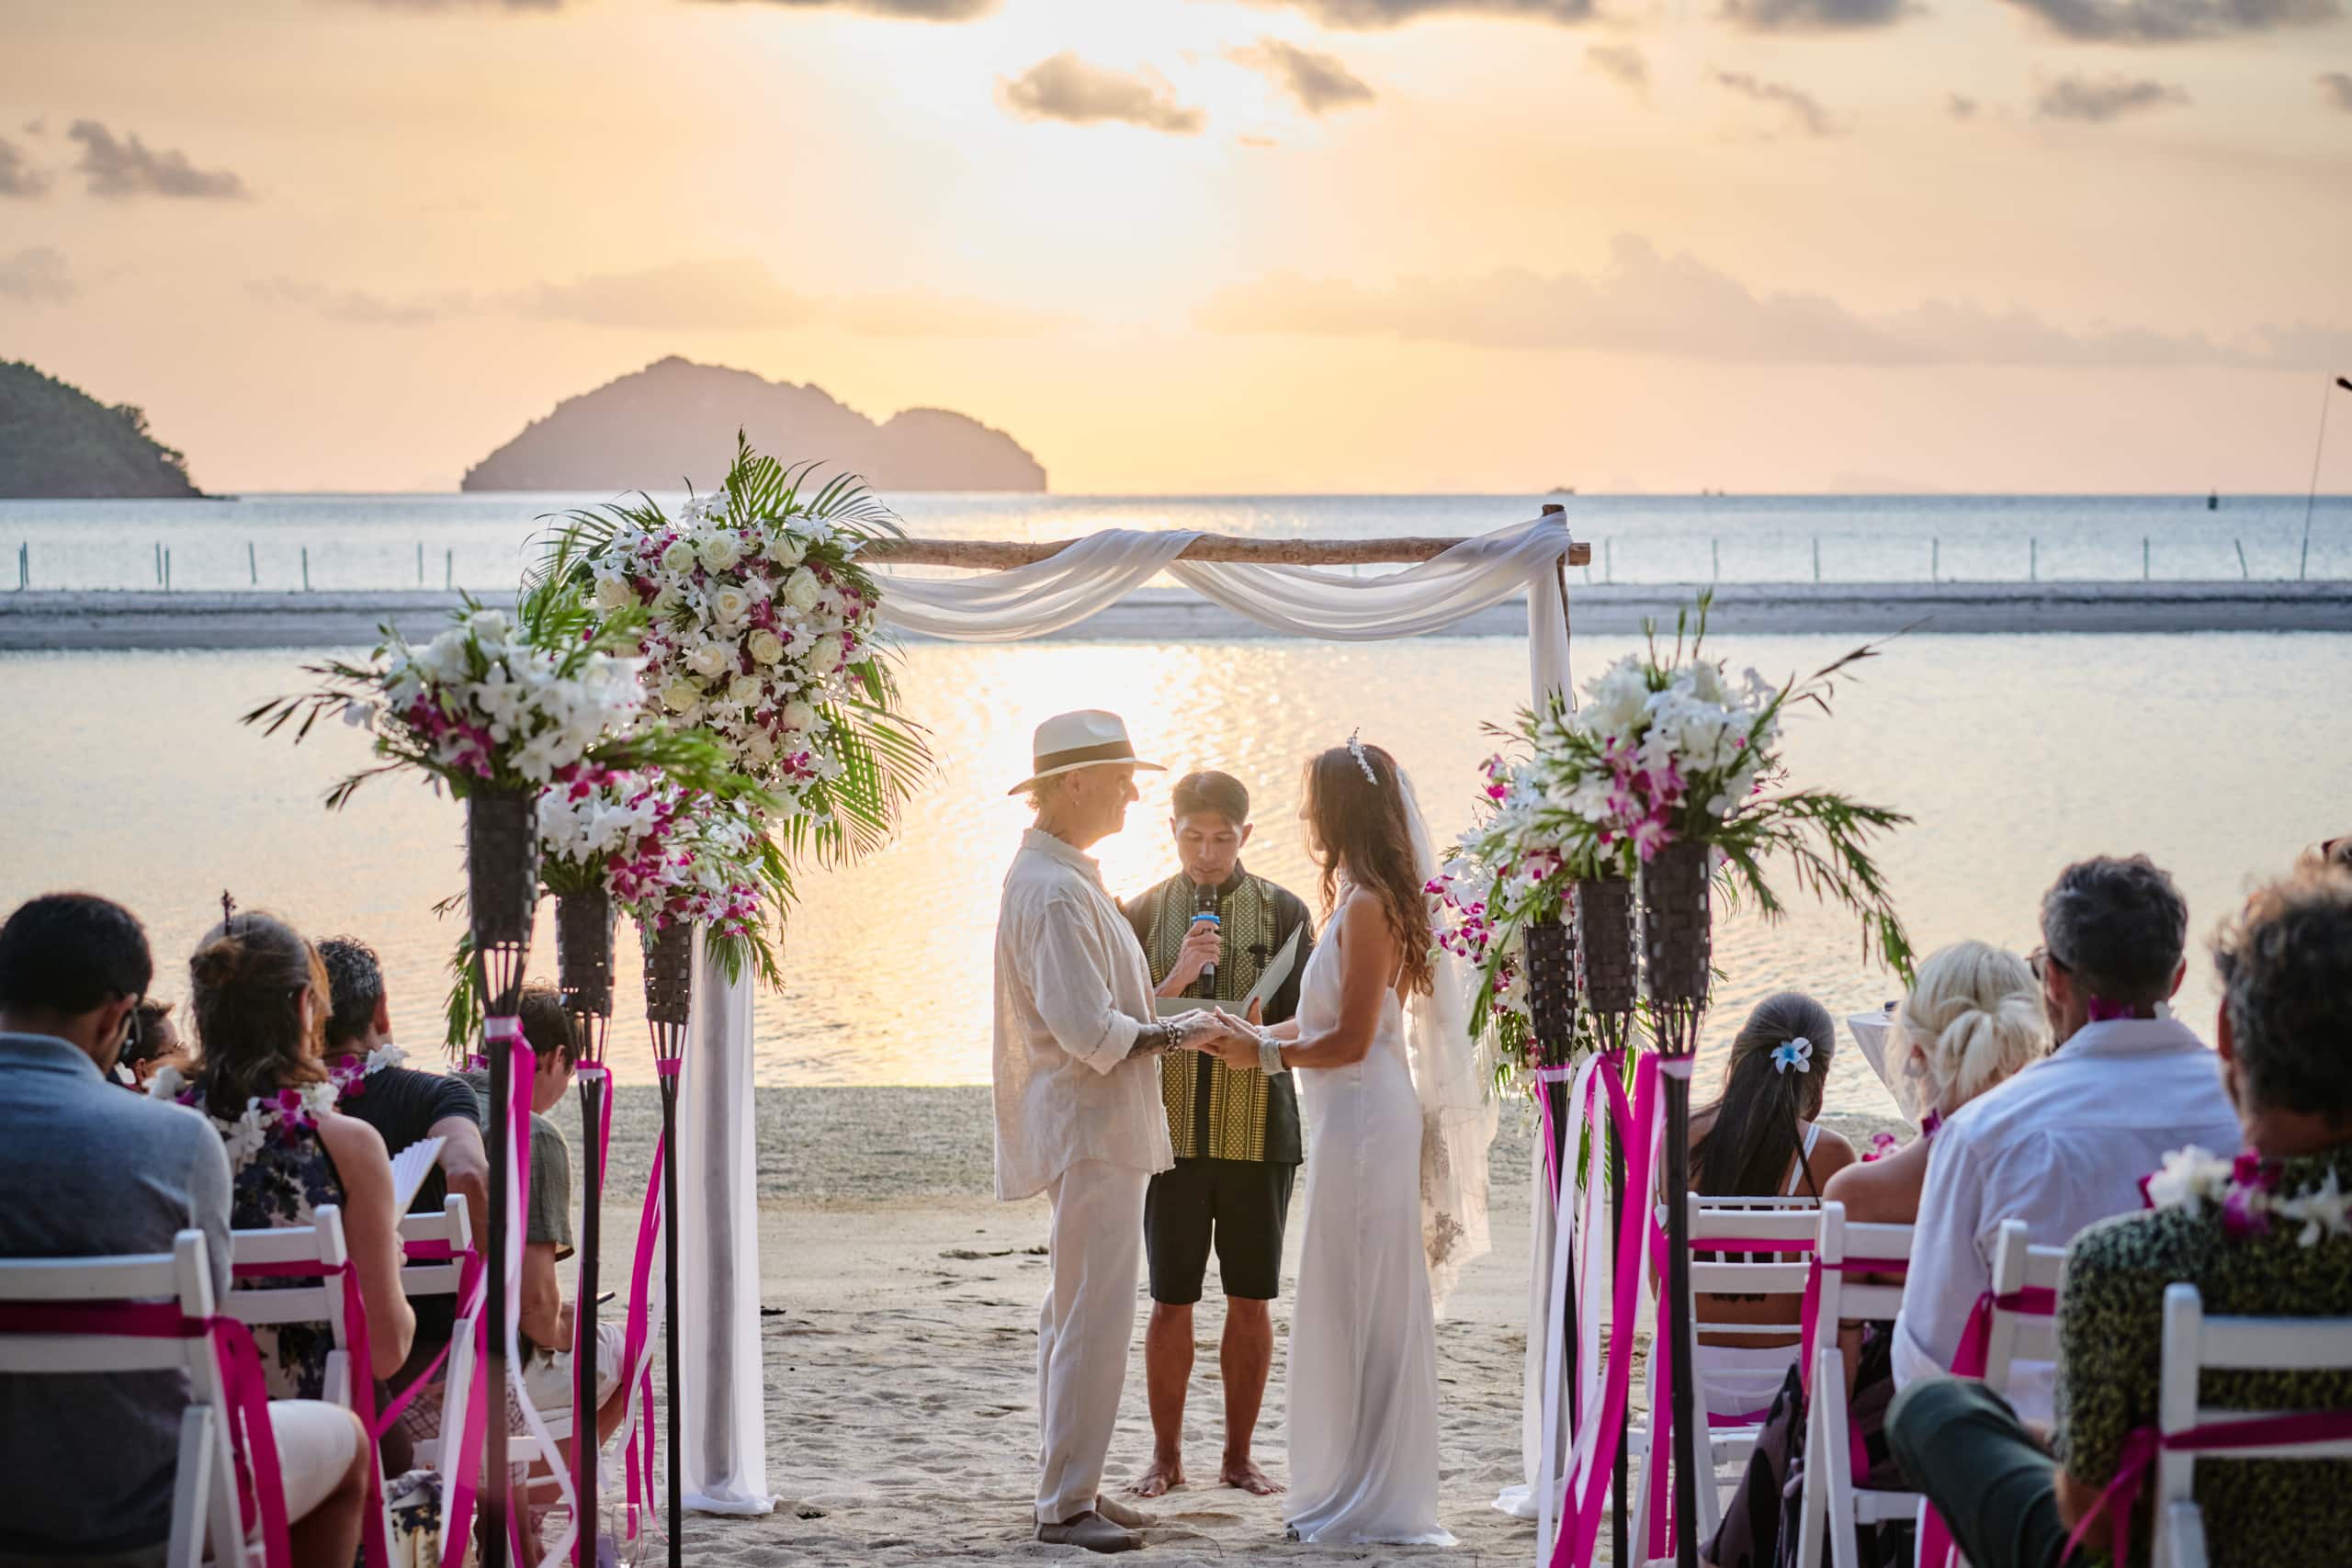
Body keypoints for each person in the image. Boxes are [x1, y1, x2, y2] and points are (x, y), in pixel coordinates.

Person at [1887, 869, 2352, 1568]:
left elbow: (1928, 1363)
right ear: (2179, 979)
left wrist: (2042, 1432)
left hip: (2146, 1536)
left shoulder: (2119, 1257)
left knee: (1930, 1409)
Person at [0, 893, 369, 1568]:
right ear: (117, 1017)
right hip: (151, 1513)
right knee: (346, 1443)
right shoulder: (173, 1142)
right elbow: (209, 1332)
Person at [1193, 734, 1496, 1547]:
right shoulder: (1366, 894)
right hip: (1351, 1116)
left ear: (1342, 809)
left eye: (1313, 800)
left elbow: (1355, 1038)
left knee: (1360, 1297)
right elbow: (1324, 1022)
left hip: (1364, 1122)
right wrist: (1244, 1030)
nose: (1303, 814)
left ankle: (1367, 1493)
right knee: (1347, 1293)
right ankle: (1351, 1478)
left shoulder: (1366, 906)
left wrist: (1260, 1054)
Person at [1703, 942, 2047, 1568]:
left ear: (1914, 1051)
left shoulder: (1861, 1192)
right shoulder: (2055, 1174)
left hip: (1901, 1450)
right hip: (2044, 1442)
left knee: (1818, 1392)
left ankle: (1732, 1553)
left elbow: (1823, 1376)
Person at [1891, 854, 2242, 1414]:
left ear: (2051, 980)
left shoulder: (1985, 1134)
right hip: (2219, 1466)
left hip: (2035, 1474)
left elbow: (1926, 1364)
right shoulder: (2253, 1118)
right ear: (2176, 977)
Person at [993, 710, 1213, 1554]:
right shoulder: (1052, 891)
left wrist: (1173, 1003)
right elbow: (1092, 1033)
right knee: (1091, 1315)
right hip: (1090, 1126)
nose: (1132, 788)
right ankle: (1064, 1503)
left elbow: (1109, 1013)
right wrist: (1186, 1030)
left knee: (1074, 1311)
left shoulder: (1065, 877)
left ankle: (1070, 1484)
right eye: (1121, 774)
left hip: (1097, 1124)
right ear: (1074, 782)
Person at [1121, 770, 1315, 1500]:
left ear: (1247, 835)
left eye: (1222, 838)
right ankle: (1166, 1457)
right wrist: (1178, 975)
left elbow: (1312, 1020)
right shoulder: (1138, 913)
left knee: (1251, 1299)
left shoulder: (1287, 912)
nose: (1207, 853)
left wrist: (1256, 1028)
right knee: (1171, 1299)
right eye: (1193, 837)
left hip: (1260, 1131)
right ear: (1171, 832)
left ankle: (1238, 1456)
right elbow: (1118, 1020)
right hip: (1167, 1133)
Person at [174, 910, 417, 1404]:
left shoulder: (152, 1130)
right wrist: (388, 1264)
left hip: (178, 1429)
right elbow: (386, 1352)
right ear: (306, 1006)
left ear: (200, 1010)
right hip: (303, 1435)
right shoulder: (346, 1146)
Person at [317, 935, 489, 1405]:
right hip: (430, 1361)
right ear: (381, 1010)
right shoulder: (436, 1096)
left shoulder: (283, 1115)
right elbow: (470, 1176)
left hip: (321, 1363)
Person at [1685, 991, 1860, 1416]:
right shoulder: (1832, 1155)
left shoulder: (1677, 1139)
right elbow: (1837, 1292)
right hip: (1789, 1384)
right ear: (1820, 1072)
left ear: (1740, 1051)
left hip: (1689, 1379)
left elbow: (1660, 1285)